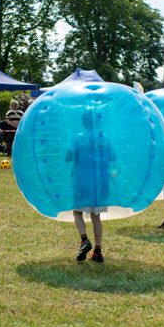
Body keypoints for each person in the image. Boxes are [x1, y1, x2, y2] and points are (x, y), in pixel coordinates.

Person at [67, 109, 113, 262]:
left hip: (82, 179)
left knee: (77, 212)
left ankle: (84, 239)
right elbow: (113, 157)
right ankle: (98, 251)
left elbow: (68, 157)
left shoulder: (78, 138)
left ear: (83, 122)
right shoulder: (105, 138)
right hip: (100, 181)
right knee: (96, 216)